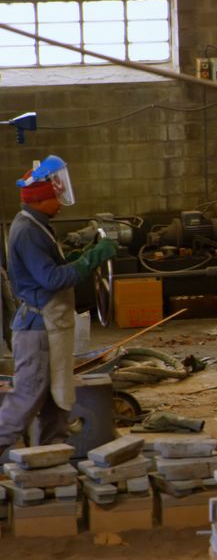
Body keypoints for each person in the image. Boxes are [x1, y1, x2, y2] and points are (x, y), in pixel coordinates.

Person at [0, 156, 117, 456]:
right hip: (37, 330)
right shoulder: (27, 231)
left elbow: (52, 267)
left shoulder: (39, 225)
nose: (61, 202)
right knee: (27, 396)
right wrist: (91, 259)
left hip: (47, 327)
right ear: (40, 200)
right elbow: (51, 279)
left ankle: (50, 458)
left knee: (55, 396)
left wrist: (83, 252)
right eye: (55, 196)